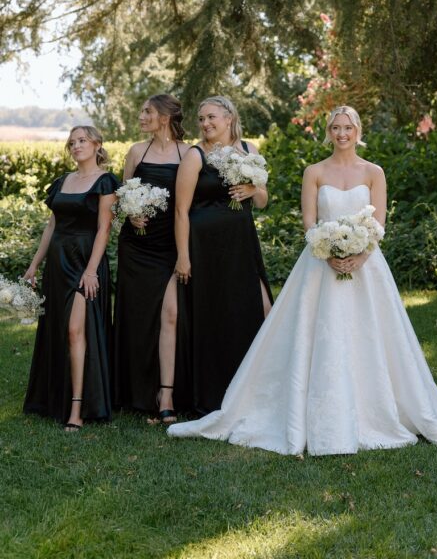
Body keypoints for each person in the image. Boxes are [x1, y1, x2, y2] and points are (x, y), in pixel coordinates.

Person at [168, 104, 437, 454]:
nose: (342, 134)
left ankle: (383, 408)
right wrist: (329, 251)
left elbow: (378, 224)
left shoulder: (374, 172)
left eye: (348, 128)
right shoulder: (314, 172)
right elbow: (309, 222)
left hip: (366, 265)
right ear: (329, 132)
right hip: (319, 264)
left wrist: (359, 254)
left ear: (358, 132)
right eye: (336, 128)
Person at [173, 95, 272, 415]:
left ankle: (256, 391)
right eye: (201, 119)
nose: (205, 124)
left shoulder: (249, 150)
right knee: (214, 317)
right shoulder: (195, 155)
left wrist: (252, 189)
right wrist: (184, 256)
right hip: (205, 248)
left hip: (241, 244)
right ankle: (213, 395)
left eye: (211, 117)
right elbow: (180, 210)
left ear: (229, 118)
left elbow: (263, 202)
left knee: (259, 309)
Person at [23, 126, 118, 429]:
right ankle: (56, 398)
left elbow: (105, 229)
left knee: (76, 330)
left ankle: (77, 408)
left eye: (82, 141)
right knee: (58, 329)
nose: (76, 146)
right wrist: (34, 265)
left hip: (85, 263)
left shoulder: (106, 182)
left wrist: (91, 270)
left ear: (96, 145)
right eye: (72, 142)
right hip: (57, 263)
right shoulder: (63, 182)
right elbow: (51, 226)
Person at [113, 94, 190, 422]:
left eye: (148, 111)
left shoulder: (188, 153)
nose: (142, 115)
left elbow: (195, 203)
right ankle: (135, 392)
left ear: (165, 116)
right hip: (136, 247)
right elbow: (119, 198)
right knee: (136, 315)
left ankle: (167, 393)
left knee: (170, 315)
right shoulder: (136, 152)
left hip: (171, 247)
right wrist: (129, 216)